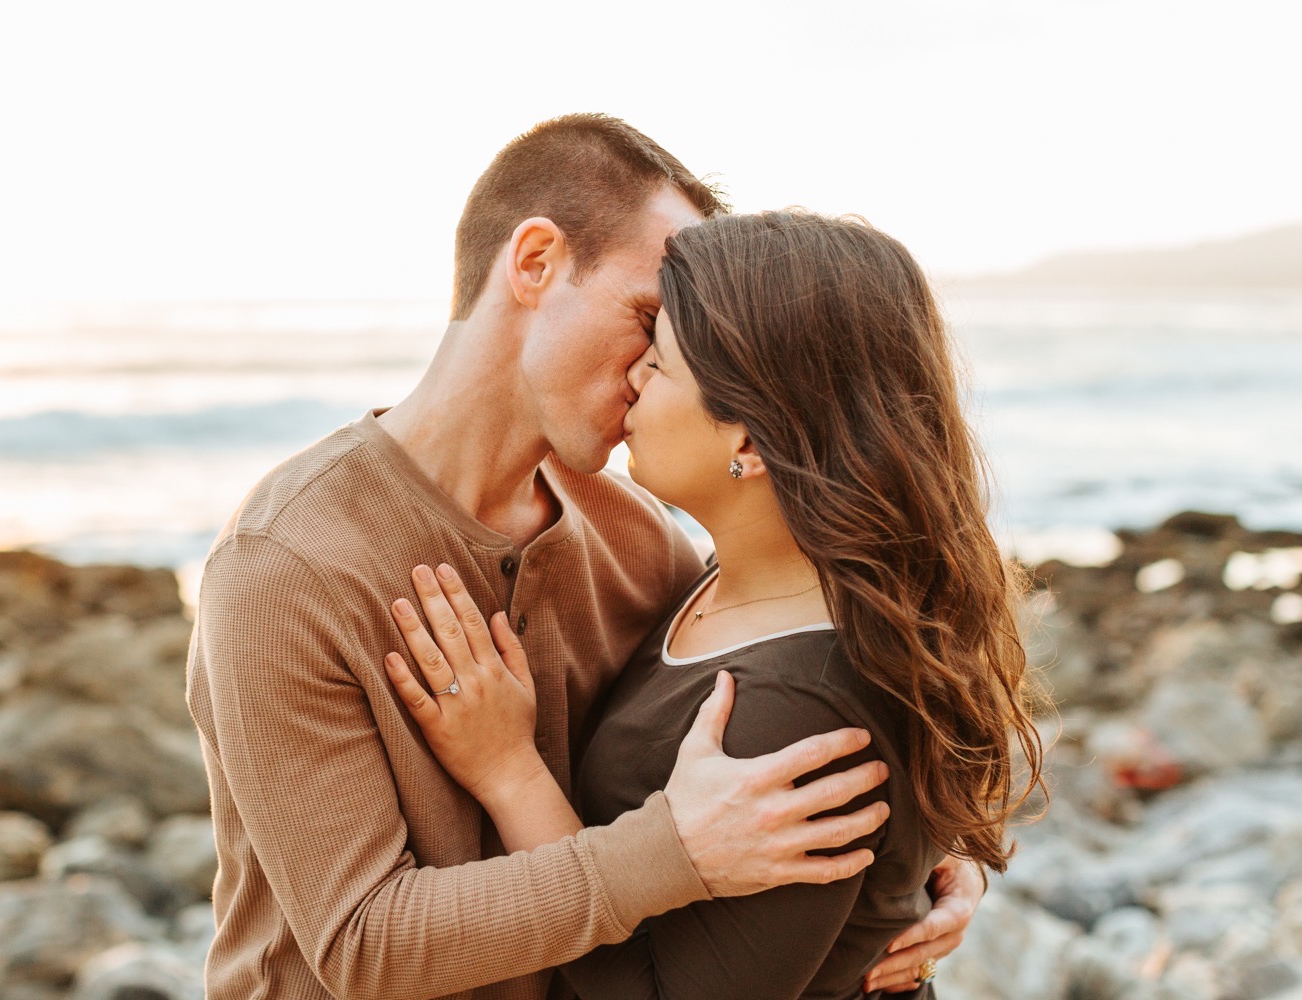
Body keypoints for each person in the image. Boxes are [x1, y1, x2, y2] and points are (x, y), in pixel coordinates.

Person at [186, 115, 985, 1000]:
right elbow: (362, 946)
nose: (656, 366)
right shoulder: (286, 566)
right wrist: (672, 853)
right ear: (535, 263)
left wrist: (913, 877)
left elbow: (789, 691)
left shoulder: (637, 537)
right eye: (650, 317)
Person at [383, 209, 1046, 997]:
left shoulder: (794, 710)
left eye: (658, 365)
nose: (630, 377)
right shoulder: (739, 582)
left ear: (751, 443)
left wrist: (507, 771)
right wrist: (933, 863)